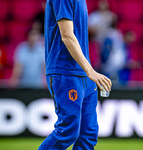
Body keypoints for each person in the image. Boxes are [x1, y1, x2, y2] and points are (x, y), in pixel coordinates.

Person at [38, 0, 112, 150]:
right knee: (68, 131)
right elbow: (67, 36)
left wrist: (88, 71)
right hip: (65, 70)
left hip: (84, 73)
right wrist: (90, 71)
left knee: (88, 133)